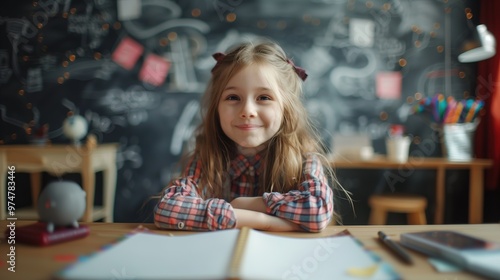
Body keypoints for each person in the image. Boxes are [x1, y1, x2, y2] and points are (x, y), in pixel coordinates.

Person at [154, 40, 345, 232]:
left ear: (287, 109)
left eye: (264, 98)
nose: (247, 111)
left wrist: (247, 203)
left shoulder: (303, 159)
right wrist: (265, 221)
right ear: (216, 109)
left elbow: (318, 210)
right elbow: (167, 209)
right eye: (233, 97)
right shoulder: (207, 159)